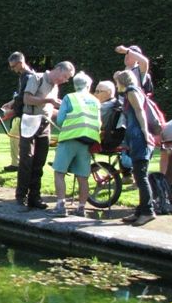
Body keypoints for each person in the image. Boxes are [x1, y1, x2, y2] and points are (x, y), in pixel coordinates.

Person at [16, 61, 75, 210]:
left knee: (40, 162)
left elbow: (48, 109)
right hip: (30, 122)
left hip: (45, 124)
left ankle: (34, 197)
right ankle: (21, 196)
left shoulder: (55, 86)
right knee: (26, 160)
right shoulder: (36, 78)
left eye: (67, 78)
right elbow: (27, 99)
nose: (65, 80)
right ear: (57, 69)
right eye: (65, 76)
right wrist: (48, 100)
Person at [47, 72, 101, 217]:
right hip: (87, 141)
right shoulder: (95, 101)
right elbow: (99, 122)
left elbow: (60, 120)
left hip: (70, 139)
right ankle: (81, 208)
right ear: (89, 86)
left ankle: (60, 206)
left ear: (75, 85)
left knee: (59, 172)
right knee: (83, 177)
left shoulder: (69, 97)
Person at [114, 70, 155, 226]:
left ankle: (148, 212)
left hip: (139, 138)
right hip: (136, 138)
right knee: (139, 175)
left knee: (141, 176)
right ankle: (140, 211)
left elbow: (139, 112)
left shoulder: (131, 91)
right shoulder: (133, 91)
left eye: (117, 81)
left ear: (122, 81)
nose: (116, 84)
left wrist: (145, 133)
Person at [0, 52, 34, 172]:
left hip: (25, 114)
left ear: (20, 63)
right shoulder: (24, 75)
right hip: (22, 113)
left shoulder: (28, 77)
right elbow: (20, 95)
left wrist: (13, 111)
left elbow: (24, 97)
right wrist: (11, 102)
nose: (12, 69)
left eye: (13, 66)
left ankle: (18, 164)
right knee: (14, 136)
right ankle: (17, 162)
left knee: (17, 137)